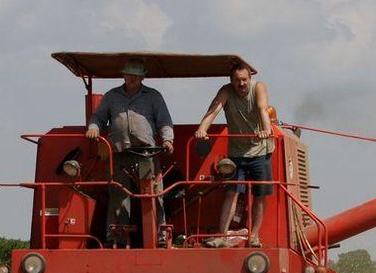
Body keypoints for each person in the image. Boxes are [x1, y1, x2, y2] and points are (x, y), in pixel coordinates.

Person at [87, 58, 174, 247]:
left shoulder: (153, 96)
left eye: (135, 75)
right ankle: (117, 238)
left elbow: (164, 120)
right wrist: (93, 127)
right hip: (119, 152)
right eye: (128, 75)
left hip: (147, 153)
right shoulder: (111, 96)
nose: (131, 78)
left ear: (142, 77)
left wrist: (168, 140)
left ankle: (159, 236)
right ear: (123, 75)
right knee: (119, 195)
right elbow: (98, 117)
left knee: (153, 194)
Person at [194, 61, 273, 248]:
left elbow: (263, 109)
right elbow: (213, 110)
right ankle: (221, 235)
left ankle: (254, 236)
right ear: (231, 81)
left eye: (244, 79)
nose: (241, 84)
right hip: (237, 153)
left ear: (250, 78)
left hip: (261, 151)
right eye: (237, 80)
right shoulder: (226, 91)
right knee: (232, 192)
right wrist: (201, 129)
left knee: (260, 195)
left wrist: (266, 129)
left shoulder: (258, 88)